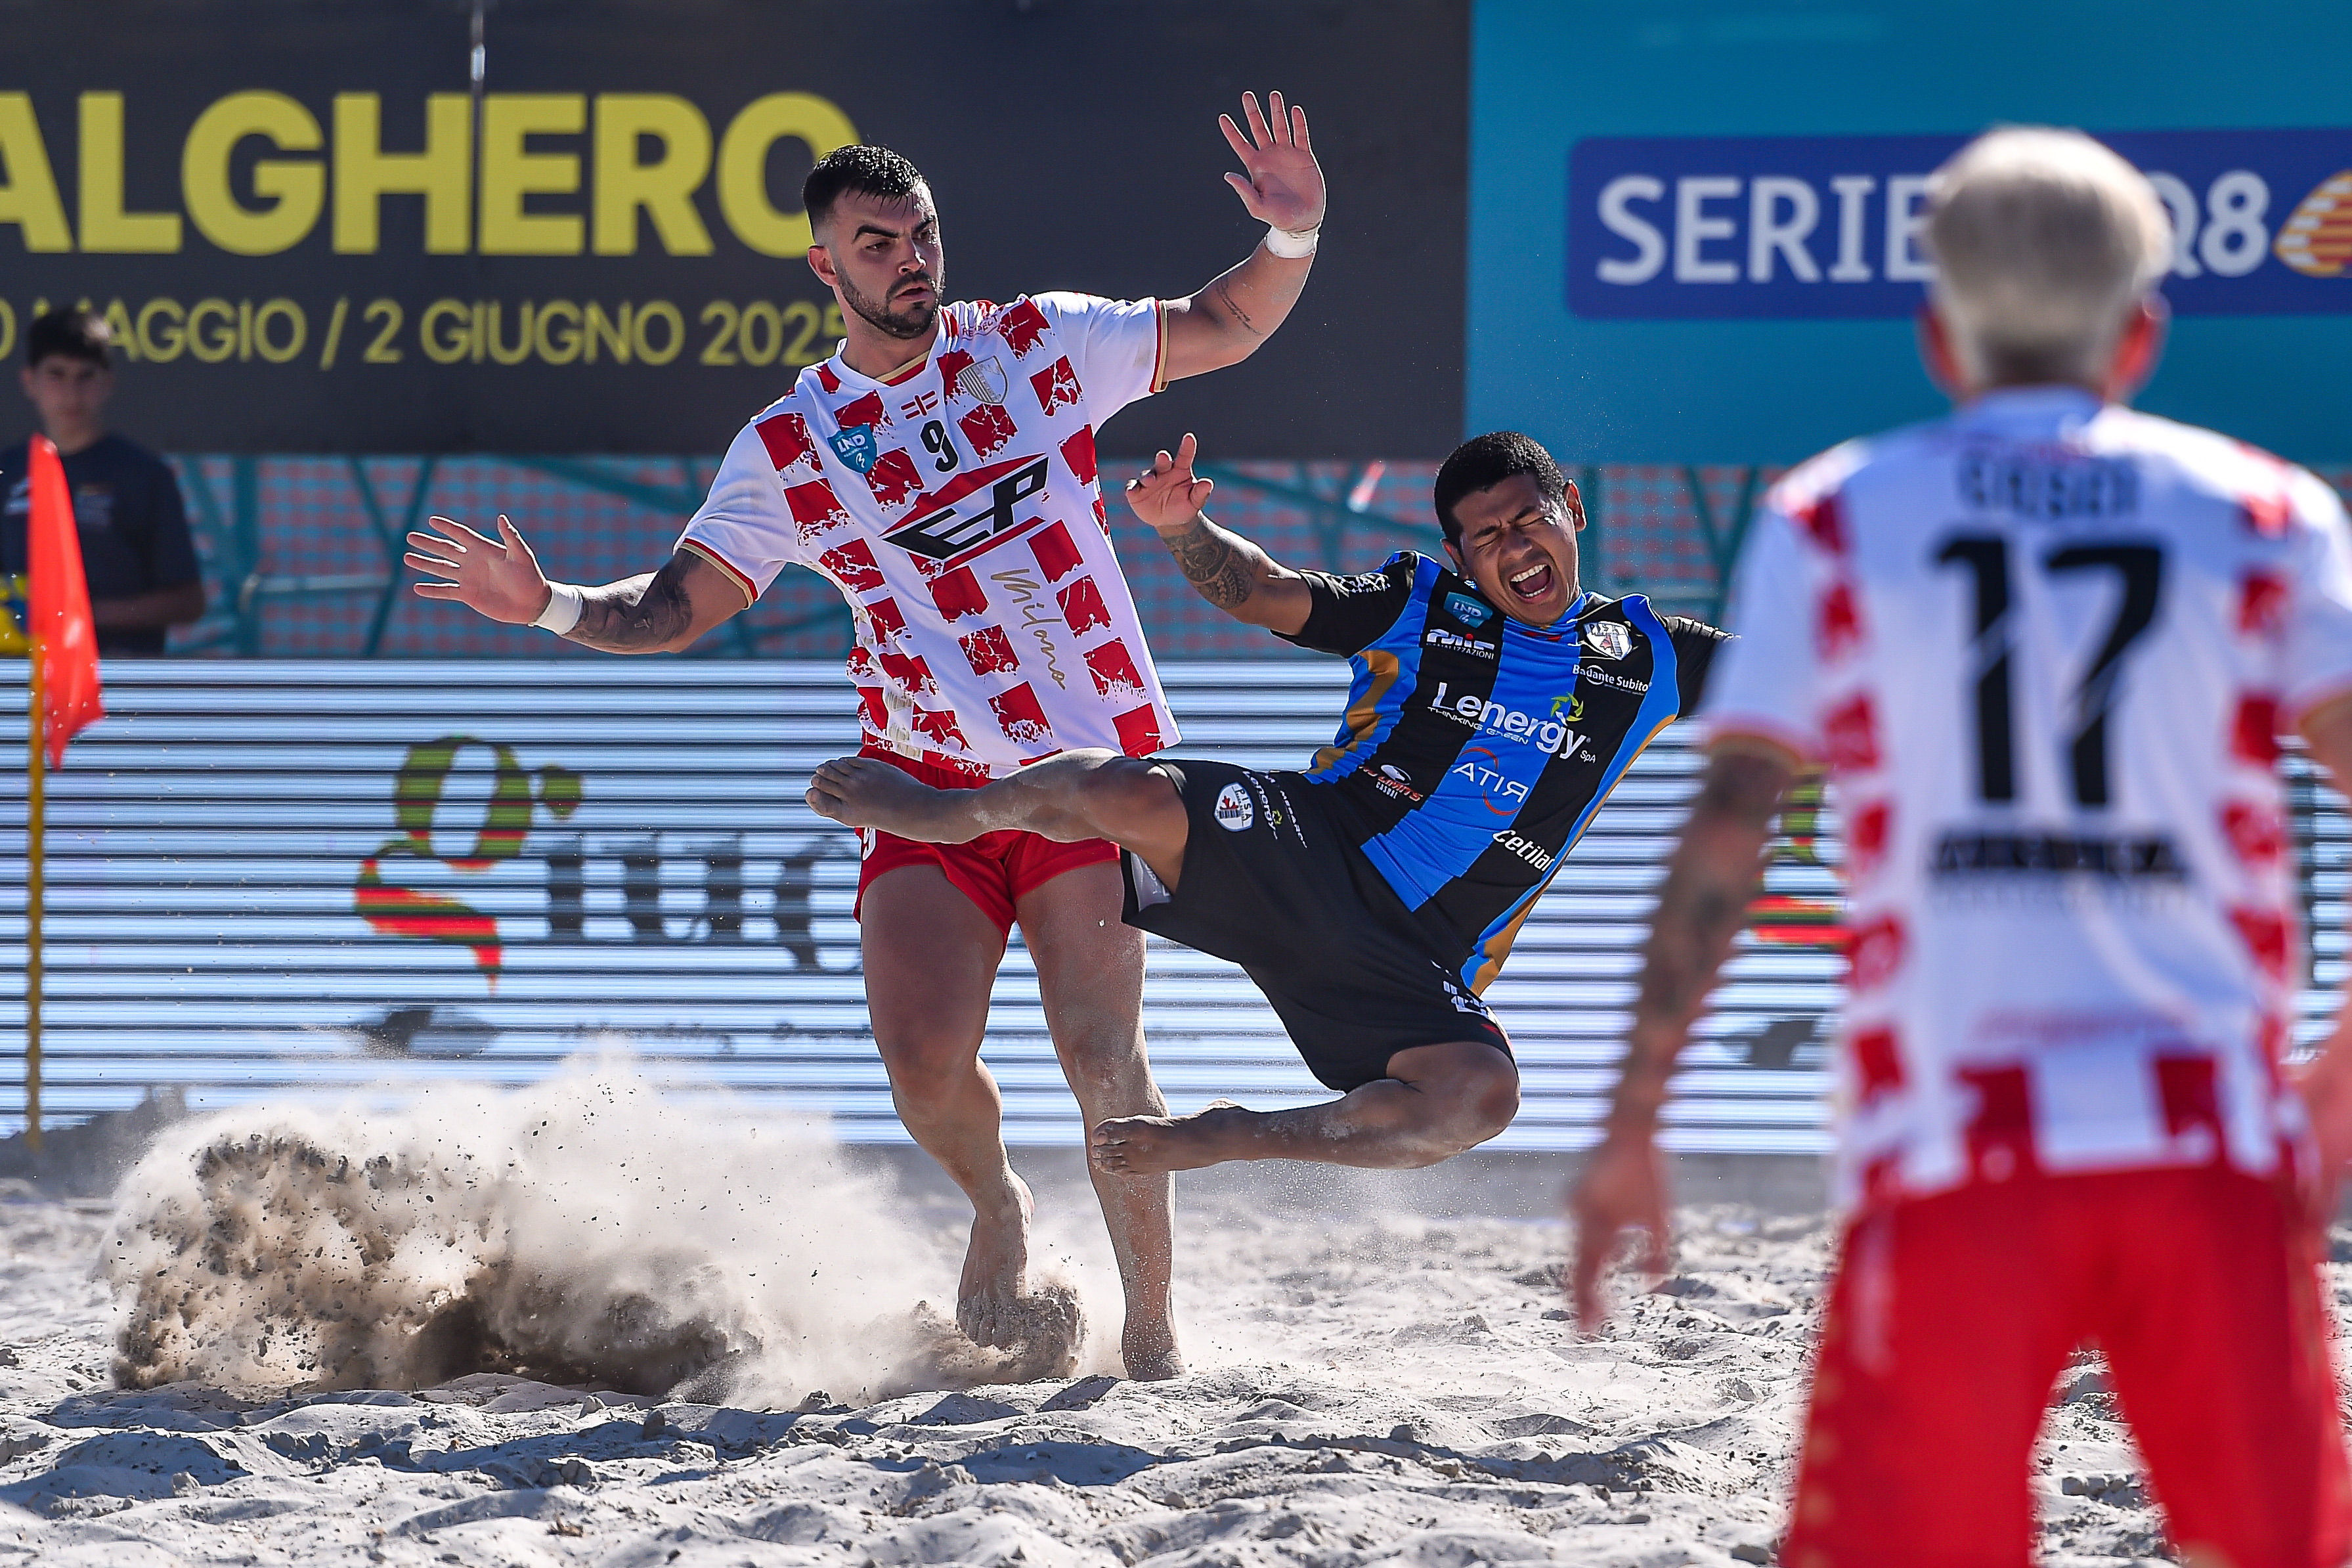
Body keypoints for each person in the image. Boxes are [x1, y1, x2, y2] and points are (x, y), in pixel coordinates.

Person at [404, 95, 1328, 1381]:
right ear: (824, 265)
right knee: (922, 1070)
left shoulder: (1033, 345)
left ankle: (1153, 1333)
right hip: (921, 784)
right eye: (878, 243)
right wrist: (551, 603)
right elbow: (672, 609)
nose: (910, 259)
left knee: (1101, 1052)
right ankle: (998, 1204)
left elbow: (1225, 322)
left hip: (1089, 776)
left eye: (922, 235)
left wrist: (1293, 235)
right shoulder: (793, 446)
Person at [1571, 127, 2352, 1567]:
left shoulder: (1836, 514)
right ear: (2143, 334)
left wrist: (1634, 1117)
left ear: (1937, 338)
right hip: (2208, 1153)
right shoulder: (2265, 514)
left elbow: (1729, 827)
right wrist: (2338, 1087)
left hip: (1949, 1156)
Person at [805, 430, 1726, 1175]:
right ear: (1458, 555)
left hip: (1415, 952)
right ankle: (946, 814)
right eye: (1486, 538)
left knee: (1479, 1097)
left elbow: (1795, 671)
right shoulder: (1424, 602)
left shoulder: (1656, 655)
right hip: (1310, 846)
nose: (1515, 548)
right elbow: (1263, 592)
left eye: (1529, 521)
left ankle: (1232, 1135)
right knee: (1127, 787)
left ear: (1572, 511)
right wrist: (1185, 531)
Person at [1, 307, 206, 654]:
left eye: (86, 376)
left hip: (117, 675)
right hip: (20, 674)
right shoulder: (7, 471)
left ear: (107, 382)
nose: (71, 393)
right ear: (29, 381)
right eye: (56, 375)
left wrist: (84, 614)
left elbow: (188, 601)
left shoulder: (143, 474)